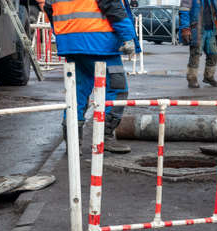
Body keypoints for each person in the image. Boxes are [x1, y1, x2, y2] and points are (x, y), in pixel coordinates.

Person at [36, 0, 140, 154]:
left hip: (71, 44)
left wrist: (66, 36)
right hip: (100, 43)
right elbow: (113, 7)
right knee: (117, 88)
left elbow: (49, 9)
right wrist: (128, 37)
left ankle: (73, 141)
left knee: (77, 92)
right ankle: (105, 136)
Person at [179, 0, 217, 88]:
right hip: (197, 29)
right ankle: (192, 79)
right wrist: (185, 28)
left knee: (214, 54)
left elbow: (214, 11)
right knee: (195, 54)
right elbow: (184, 11)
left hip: (210, 30)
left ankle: (209, 76)